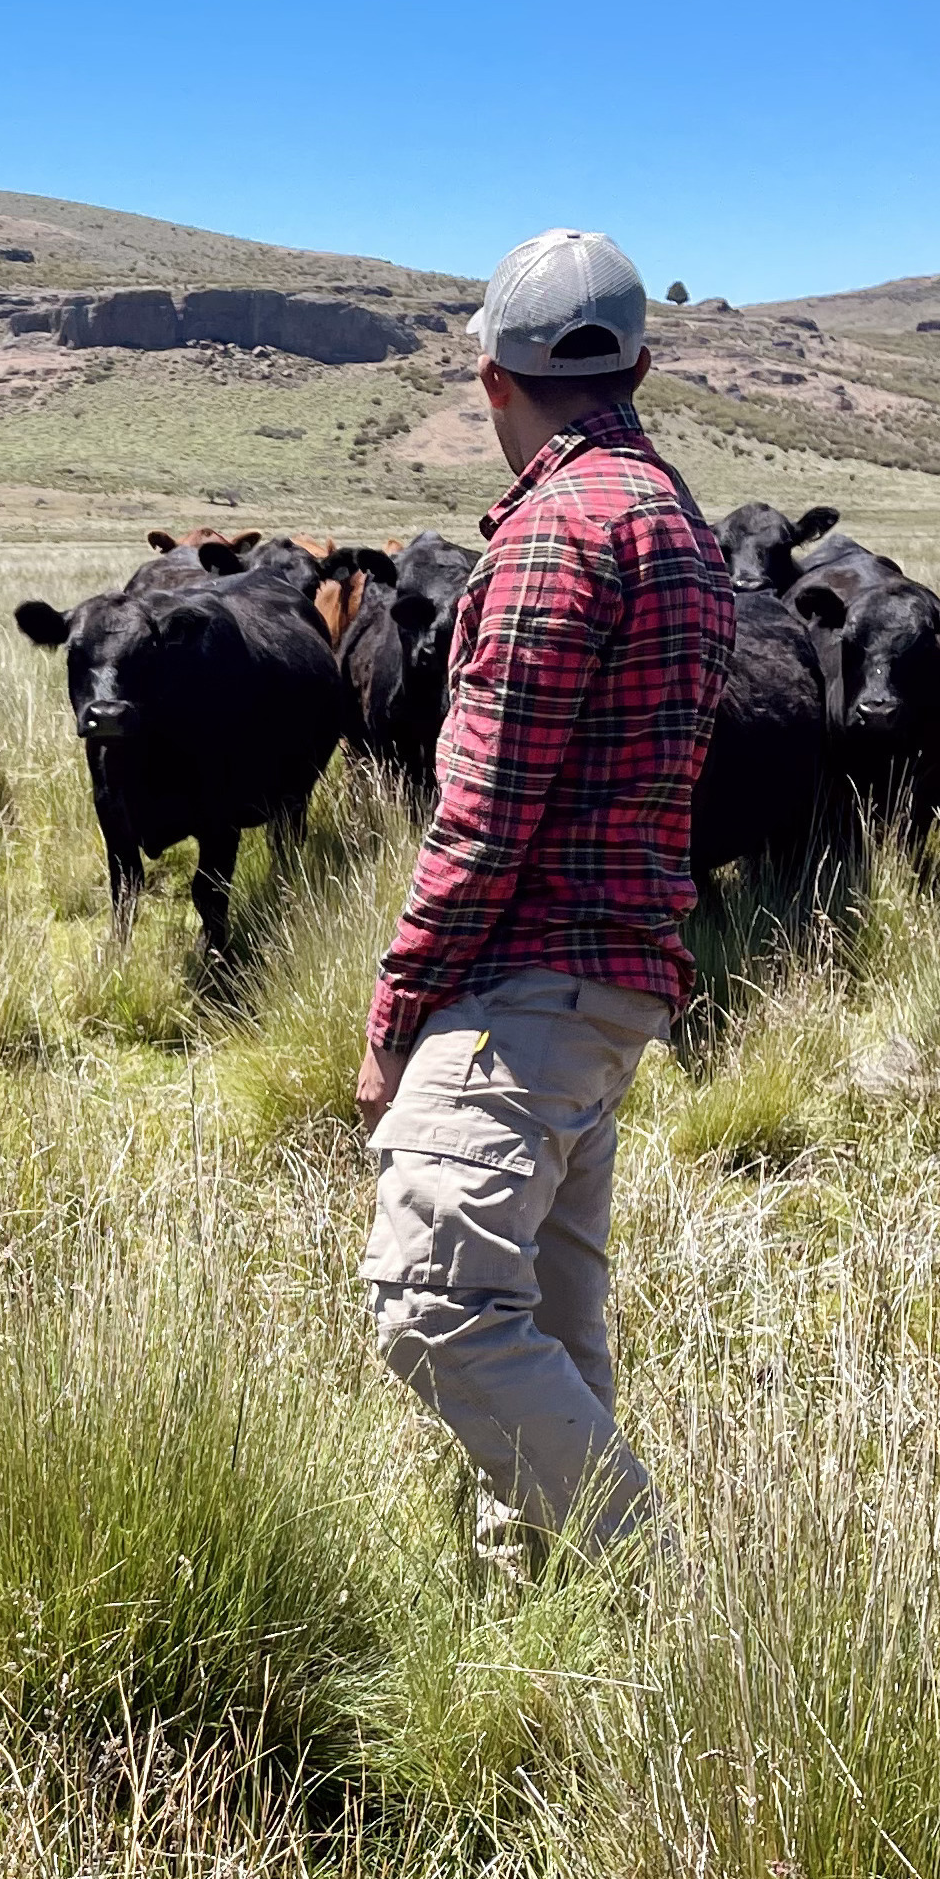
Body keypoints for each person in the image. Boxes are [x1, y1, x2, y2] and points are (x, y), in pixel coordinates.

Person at [353, 229, 735, 1565]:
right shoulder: (674, 517)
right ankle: (550, 1620)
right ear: (640, 361)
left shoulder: (553, 535)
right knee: (556, 1317)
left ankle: (648, 1570)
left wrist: (398, 1013)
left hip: (526, 977)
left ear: (491, 380)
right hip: (617, 979)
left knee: (433, 1298)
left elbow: (483, 815)